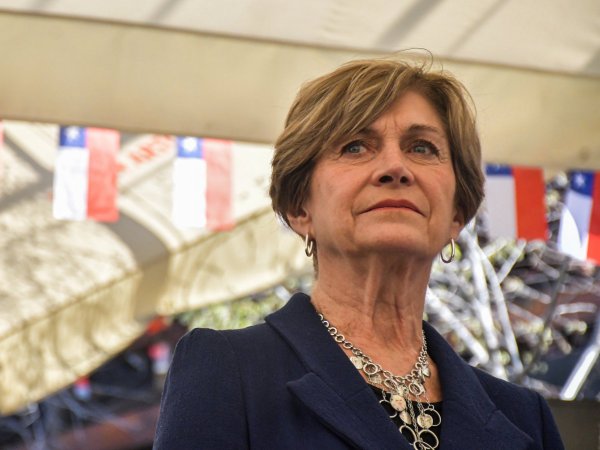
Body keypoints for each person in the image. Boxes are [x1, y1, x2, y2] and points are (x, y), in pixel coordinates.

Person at [154, 56, 564, 449]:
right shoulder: (228, 369)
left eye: (422, 148)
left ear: (457, 214)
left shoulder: (525, 418)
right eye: (355, 146)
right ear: (300, 208)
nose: (395, 167)